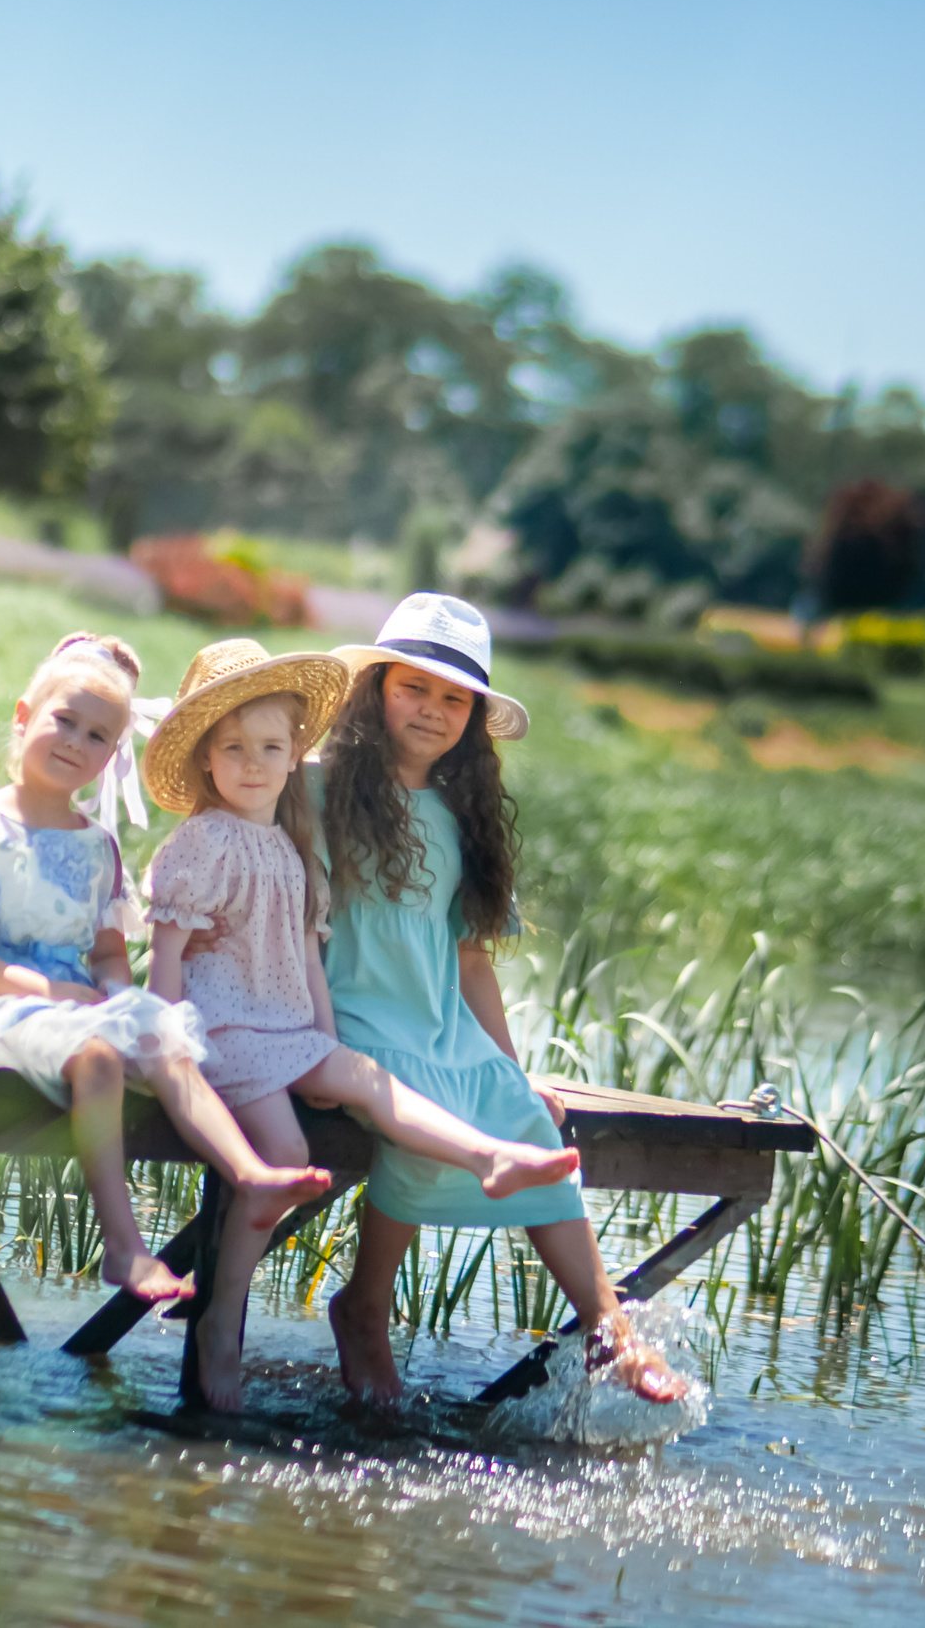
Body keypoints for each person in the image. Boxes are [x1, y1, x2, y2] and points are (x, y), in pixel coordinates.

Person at [0, 632, 331, 1306]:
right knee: (101, 1058)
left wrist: (118, 996)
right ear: (23, 717)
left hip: (66, 996)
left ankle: (250, 1170)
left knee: (163, 1035)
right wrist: (56, 991)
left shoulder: (99, 846)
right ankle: (124, 1245)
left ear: (112, 757)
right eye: (64, 721)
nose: (76, 742)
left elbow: (109, 952)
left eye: (97, 736)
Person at [139, 638, 584, 1411]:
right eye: (237, 749)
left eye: (272, 749)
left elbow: (317, 945)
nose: (256, 763)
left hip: (294, 1024)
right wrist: (165, 1034)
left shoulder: (296, 839)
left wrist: (323, 1037)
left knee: (372, 1083)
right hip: (224, 1025)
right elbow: (167, 948)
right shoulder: (234, 828)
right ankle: (221, 1324)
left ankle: (489, 1156)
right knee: (280, 1148)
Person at [314, 594, 686, 1405]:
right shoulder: (316, 788)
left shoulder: (459, 818)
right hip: (347, 1017)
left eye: (455, 699)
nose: (433, 710)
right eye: (414, 687)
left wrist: (511, 1071)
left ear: (474, 720)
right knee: (421, 1113)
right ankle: (364, 1307)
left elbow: (472, 961)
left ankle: (608, 1329)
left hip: (436, 1021)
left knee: (524, 1116)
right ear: (374, 687)